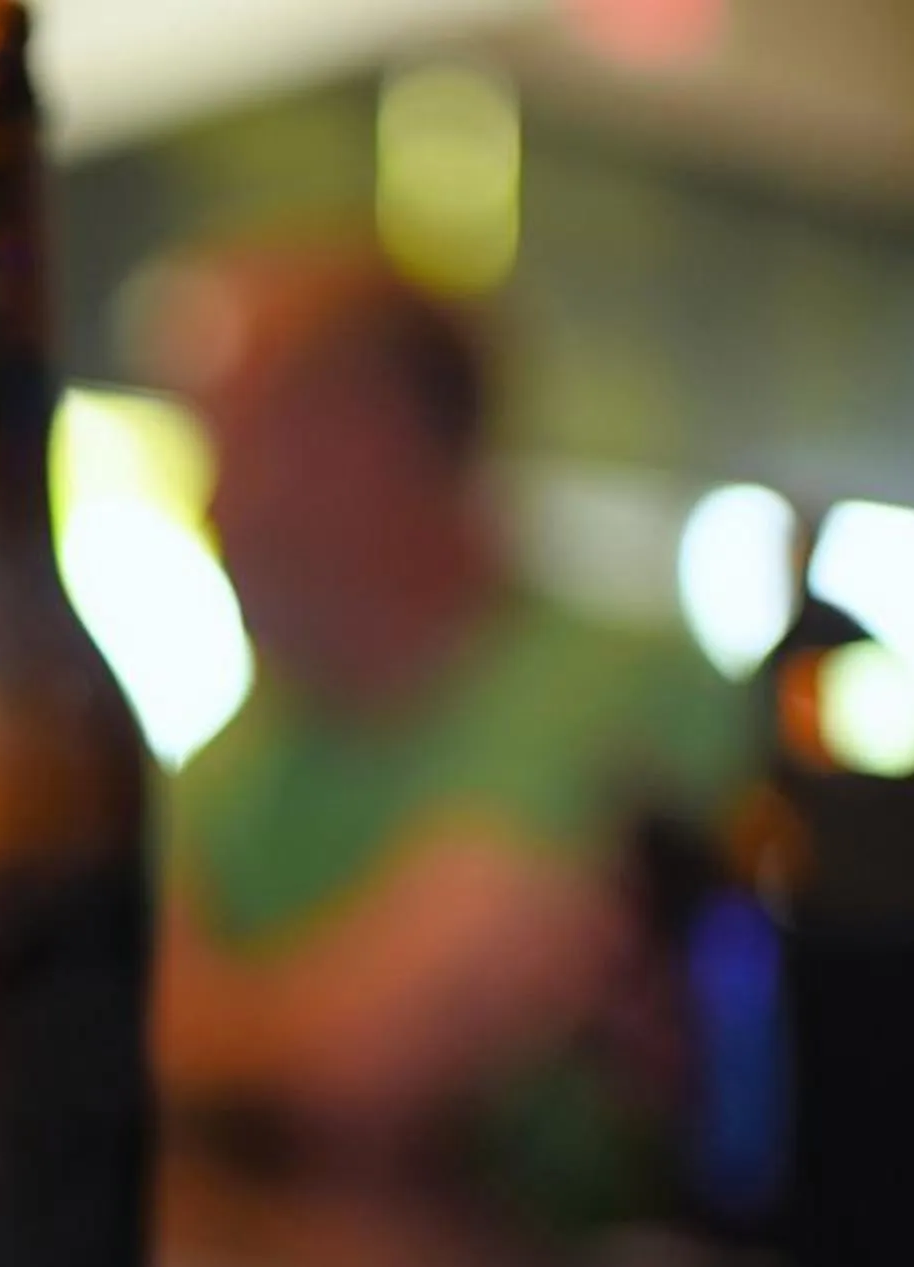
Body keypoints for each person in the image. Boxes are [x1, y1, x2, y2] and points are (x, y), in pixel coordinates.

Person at [149, 244, 746, 1217]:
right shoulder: (236, 751)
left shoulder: (627, 689)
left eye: (232, 445)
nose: (209, 507)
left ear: (367, 444)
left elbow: (371, 1063)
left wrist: (210, 1032)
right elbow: (91, 1024)